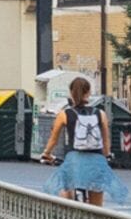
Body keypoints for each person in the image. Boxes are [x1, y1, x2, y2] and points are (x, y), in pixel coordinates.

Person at [44, 74, 119, 206]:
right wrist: (106, 156)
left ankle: (66, 218)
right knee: (97, 207)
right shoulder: (100, 114)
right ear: (89, 92)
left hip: (75, 161)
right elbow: (106, 141)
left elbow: (53, 139)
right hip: (96, 162)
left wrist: (47, 154)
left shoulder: (64, 114)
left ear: (71, 93)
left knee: (65, 190)